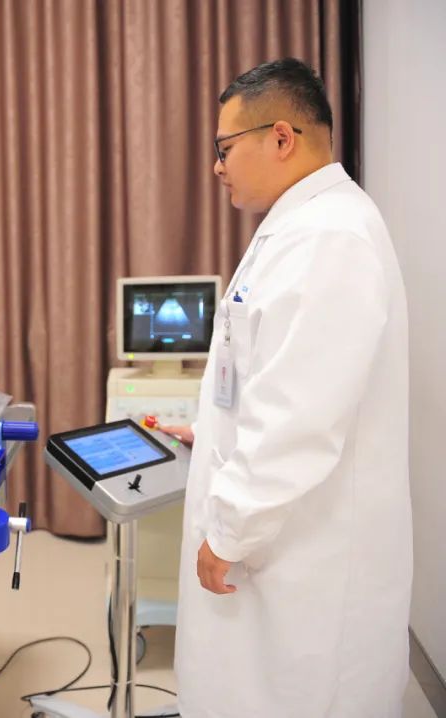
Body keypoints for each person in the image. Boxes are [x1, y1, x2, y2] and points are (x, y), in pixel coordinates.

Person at [161, 58, 411, 717]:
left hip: (305, 558)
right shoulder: (296, 228)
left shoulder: (331, 238)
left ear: (280, 138)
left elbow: (299, 420)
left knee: (296, 694)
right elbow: (274, 373)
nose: (217, 166)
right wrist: (211, 430)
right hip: (276, 531)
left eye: (225, 148)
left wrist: (230, 529)